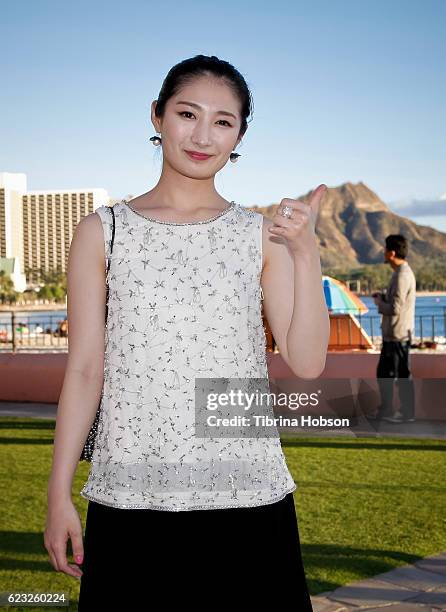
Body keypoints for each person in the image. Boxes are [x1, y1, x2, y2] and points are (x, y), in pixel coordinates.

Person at [44, 54, 330, 610]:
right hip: (129, 498)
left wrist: (305, 251)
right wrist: (58, 494)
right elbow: (83, 370)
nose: (203, 136)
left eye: (223, 121)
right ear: (156, 116)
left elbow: (308, 360)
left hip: (249, 496)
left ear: (240, 134)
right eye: (187, 113)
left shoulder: (258, 235)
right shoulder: (102, 232)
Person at [371, 234, 416, 423]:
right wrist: (384, 297)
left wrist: (379, 303)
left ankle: (405, 414)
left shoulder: (402, 276)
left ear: (392, 252)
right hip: (393, 336)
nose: (383, 252)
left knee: (399, 376)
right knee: (385, 374)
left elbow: (395, 309)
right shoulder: (399, 274)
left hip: (397, 336)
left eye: (385, 249)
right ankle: (387, 410)